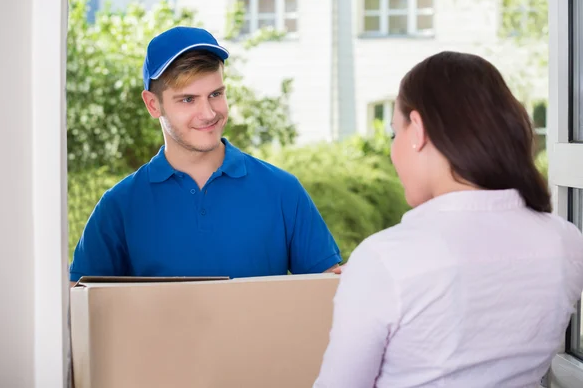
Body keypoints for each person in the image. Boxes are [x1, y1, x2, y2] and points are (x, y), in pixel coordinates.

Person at [313, 51, 583, 387]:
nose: (393, 153)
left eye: (395, 133)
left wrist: (371, 281)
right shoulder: (566, 241)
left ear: (419, 131)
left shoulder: (387, 259)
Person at [69, 26, 342, 285]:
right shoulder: (119, 206)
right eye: (188, 99)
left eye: (215, 94)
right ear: (153, 104)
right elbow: (79, 304)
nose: (209, 113)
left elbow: (329, 293)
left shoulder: (283, 191)